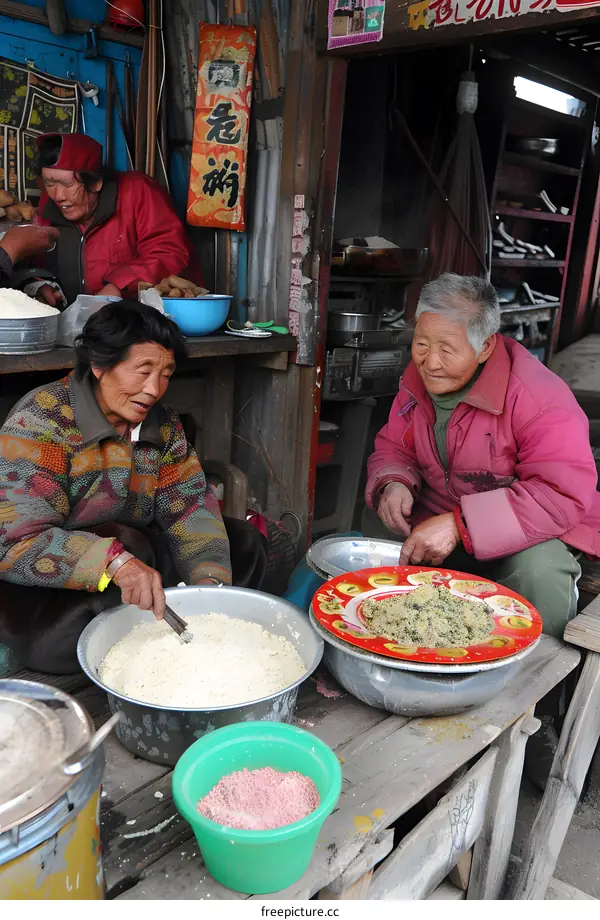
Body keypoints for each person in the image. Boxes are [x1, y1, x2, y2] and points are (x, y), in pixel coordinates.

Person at [364, 273, 600, 787]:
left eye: (446, 348)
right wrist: (393, 483)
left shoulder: (538, 397)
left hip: (540, 526)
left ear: (487, 344)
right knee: (381, 550)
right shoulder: (417, 379)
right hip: (448, 514)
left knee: (539, 571)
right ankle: (412, 676)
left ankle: (533, 713)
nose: (428, 361)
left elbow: (561, 496)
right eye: (421, 344)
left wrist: (461, 523)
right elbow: (394, 445)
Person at [0, 301, 265, 674]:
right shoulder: (41, 421)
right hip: (50, 584)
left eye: (166, 374)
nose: (154, 389)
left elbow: (189, 508)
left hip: (137, 562)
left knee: (243, 542)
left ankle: (192, 639)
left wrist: (208, 588)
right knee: (122, 548)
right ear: (99, 365)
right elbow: (13, 542)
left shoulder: (163, 425)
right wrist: (115, 562)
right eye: (142, 371)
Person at [26, 132, 191, 306]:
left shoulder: (138, 192)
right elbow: (35, 260)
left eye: (68, 184)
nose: (58, 196)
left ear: (96, 182)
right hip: (74, 323)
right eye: (50, 184)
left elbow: (169, 252)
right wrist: (40, 284)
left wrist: (118, 287)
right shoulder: (48, 205)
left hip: (134, 320)